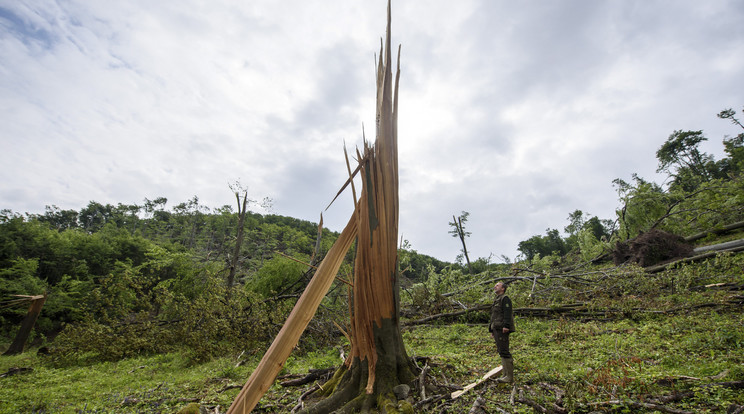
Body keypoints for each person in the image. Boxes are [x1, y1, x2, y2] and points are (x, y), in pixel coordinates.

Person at [489, 281, 515, 383]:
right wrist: (492, 329)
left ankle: (509, 377)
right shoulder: (497, 299)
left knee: (504, 351)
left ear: (503, 288)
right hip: (497, 328)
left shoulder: (505, 299)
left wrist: (506, 326)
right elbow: (494, 316)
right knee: (501, 351)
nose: (495, 287)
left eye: (497, 285)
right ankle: (505, 374)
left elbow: (507, 313)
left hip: (502, 328)